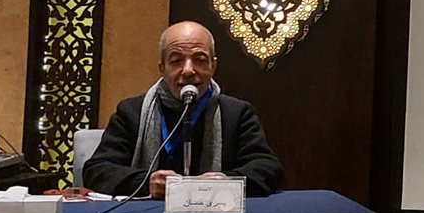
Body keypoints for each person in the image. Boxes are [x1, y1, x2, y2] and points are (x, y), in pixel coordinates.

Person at [83, 21, 283, 199]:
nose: (188, 70)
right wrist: (146, 183)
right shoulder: (131, 112)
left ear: (213, 66)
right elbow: (97, 171)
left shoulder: (236, 113)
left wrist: (225, 182)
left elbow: (267, 168)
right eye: (176, 60)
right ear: (162, 68)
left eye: (200, 59)